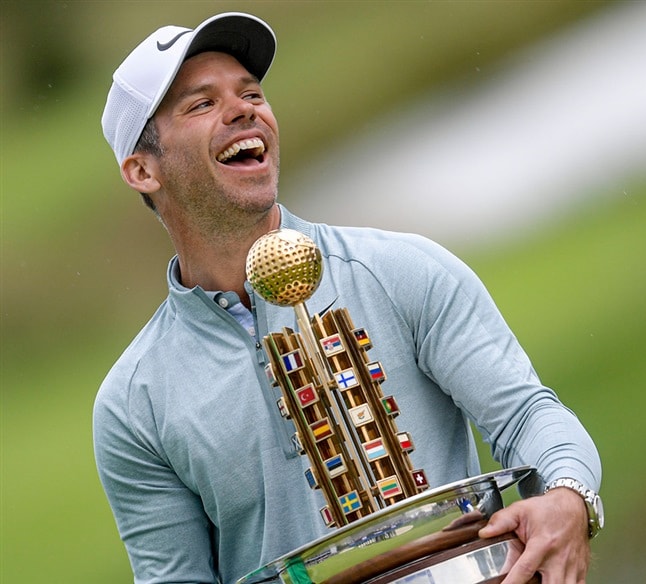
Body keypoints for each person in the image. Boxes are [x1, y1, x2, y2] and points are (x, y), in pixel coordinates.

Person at [93, 11, 603, 584]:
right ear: (142, 170)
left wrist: (567, 495)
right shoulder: (133, 404)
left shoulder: (402, 270)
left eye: (251, 93)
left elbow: (526, 415)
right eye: (202, 104)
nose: (243, 110)